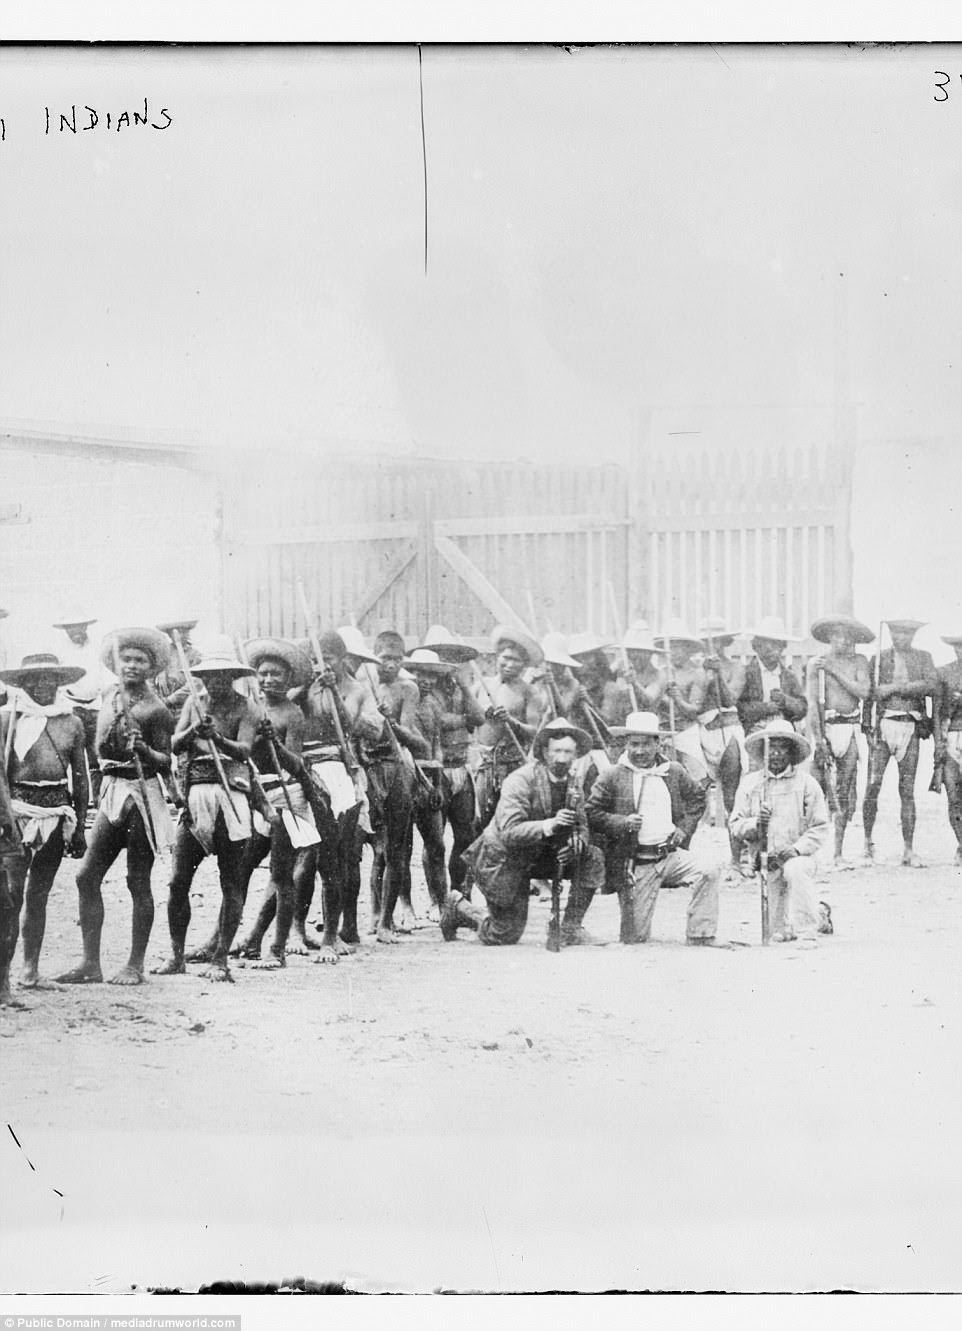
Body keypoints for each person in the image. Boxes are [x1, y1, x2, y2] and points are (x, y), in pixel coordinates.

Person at [56, 628, 175, 986]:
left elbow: (166, 761)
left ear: (152, 667)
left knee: (137, 879)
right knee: (85, 876)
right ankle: (90, 963)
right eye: (127, 659)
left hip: (141, 793)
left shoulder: (156, 710)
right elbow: (100, 748)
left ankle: (135, 964)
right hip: (112, 788)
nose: (132, 666)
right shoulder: (109, 695)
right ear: (116, 663)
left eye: (141, 660)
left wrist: (144, 750)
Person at [444, 718, 605, 946]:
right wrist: (550, 824)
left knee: (592, 856)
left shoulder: (573, 782)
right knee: (503, 934)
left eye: (568, 752)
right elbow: (510, 832)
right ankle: (460, 906)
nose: (562, 758)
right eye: (556, 751)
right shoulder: (520, 780)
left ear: (576, 754)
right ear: (544, 752)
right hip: (505, 858)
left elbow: (581, 823)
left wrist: (577, 840)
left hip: (540, 854)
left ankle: (571, 928)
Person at [153, 644, 258, 981]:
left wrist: (220, 740)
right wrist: (193, 732)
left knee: (231, 879)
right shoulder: (193, 703)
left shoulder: (248, 708)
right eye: (209, 678)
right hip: (196, 792)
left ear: (232, 678)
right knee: (178, 881)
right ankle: (176, 956)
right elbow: (172, 743)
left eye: (222, 678)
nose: (215, 684)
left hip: (231, 795)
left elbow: (244, 750)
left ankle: (221, 959)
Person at [214, 638, 319, 968]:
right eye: (264, 673)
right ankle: (224, 939)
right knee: (241, 869)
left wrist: (274, 740)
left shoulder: (292, 713)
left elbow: (297, 764)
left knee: (281, 873)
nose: (270, 679)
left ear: (289, 679)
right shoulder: (251, 709)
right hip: (256, 797)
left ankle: (277, 948)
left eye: (277, 674)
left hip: (286, 796)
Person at [586, 711, 727, 947]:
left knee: (709, 869)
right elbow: (592, 812)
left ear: (657, 744)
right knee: (635, 938)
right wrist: (621, 822)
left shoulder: (673, 771)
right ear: (626, 744)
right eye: (634, 744)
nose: (639, 751)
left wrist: (683, 828)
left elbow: (697, 799)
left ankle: (700, 933)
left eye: (645, 745)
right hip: (637, 864)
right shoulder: (612, 775)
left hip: (670, 856)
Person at [0, 654, 89, 991]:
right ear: (23, 683)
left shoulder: (71, 722)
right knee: (11, 896)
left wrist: (79, 826)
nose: (41, 685)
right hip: (17, 814)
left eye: (48, 678)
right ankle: (2, 976)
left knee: (39, 894)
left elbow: (80, 778)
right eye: (34, 679)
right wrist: (5, 816)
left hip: (56, 812)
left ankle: (30, 970)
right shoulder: (7, 720)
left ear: (58, 681)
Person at [295, 629, 383, 961]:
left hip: (347, 771)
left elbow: (359, 729)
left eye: (327, 659)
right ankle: (298, 927)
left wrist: (333, 692)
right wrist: (308, 687)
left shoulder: (358, 691)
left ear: (341, 659)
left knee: (347, 856)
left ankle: (346, 927)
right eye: (314, 660)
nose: (320, 665)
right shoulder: (301, 690)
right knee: (307, 855)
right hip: (309, 771)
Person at [729, 719, 833, 945]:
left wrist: (796, 849)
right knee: (777, 932)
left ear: (792, 751)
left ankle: (808, 932)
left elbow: (820, 826)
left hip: (800, 858)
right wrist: (756, 824)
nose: (776, 754)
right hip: (769, 861)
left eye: (782, 747)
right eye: (770, 748)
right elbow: (735, 824)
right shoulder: (750, 784)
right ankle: (820, 912)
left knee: (795, 871)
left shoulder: (807, 784)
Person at [364, 629, 430, 941]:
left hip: (396, 766)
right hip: (368, 767)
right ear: (373, 656)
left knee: (396, 848)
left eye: (396, 658)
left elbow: (413, 739)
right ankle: (374, 912)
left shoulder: (408, 689)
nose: (389, 663)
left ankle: (387, 920)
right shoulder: (363, 685)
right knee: (374, 848)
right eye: (384, 657)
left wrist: (390, 723)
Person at [861, 619, 937, 867]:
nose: (900, 637)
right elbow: (871, 693)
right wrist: (867, 726)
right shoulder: (879, 658)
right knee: (873, 785)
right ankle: (867, 842)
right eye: (896, 632)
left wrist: (898, 688)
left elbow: (931, 685)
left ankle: (908, 848)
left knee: (907, 789)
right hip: (883, 726)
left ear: (913, 635)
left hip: (910, 725)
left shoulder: (923, 658)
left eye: (906, 633)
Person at [421, 625, 488, 899]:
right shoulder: (422, 687)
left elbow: (480, 717)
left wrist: (463, 685)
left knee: (466, 837)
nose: (447, 662)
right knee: (435, 842)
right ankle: (438, 901)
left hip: (461, 766)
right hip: (436, 770)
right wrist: (463, 720)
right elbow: (438, 721)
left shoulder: (458, 688)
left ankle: (460, 895)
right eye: (442, 656)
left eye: (451, 656)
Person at [806, 614, 874, 870]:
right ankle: (810, 851)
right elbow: (812, 702)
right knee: (815, 787)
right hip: (826, 727)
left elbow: (863, 692)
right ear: (830, 637)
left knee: (844, 790)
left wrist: (834, 671)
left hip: (850, 728)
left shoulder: (859, 661)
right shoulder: (816, 663)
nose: (842, 641)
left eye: (847, 636)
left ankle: (838, 852)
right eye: (837, 635)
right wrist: (818, 737)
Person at [473, 625, 545, 829]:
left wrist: (511, 721)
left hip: (513, 764)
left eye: (516, 660)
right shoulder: (481, 685)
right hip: (484, 765)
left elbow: (534, 732)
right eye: (506, 657)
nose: (509, 664)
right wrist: (481, 715)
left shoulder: (529, 692)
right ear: (497, 657)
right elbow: (468, 720)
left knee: (510, 819)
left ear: (524, 665)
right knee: (481, 822)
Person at [696, 617, 747, 871]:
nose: (712, 647)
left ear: (725, 643)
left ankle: (737, 858)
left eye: (717, 642)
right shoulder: (697, 670)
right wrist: (705, 676)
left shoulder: (736, 667)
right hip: (702, 733)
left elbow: (731, 699)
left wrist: (718, 676)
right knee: (696, 792)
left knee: (731, 796)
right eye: (708, 643)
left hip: (728, 733)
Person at [53, 614, 108, 805]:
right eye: (71, 628)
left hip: (94, 706)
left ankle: (100, 802)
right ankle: (70, 802)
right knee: (71, 758)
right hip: (70, 706)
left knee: (97, 757)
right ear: (66, 630)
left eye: (79, 627)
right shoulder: (60, 651)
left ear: (85, 626)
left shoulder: (97, 648)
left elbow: (105, 676)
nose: (76, 631)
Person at [652, 620, 710, 785]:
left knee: (696, 777)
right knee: (663, 777)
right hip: (663, 732)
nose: (674, 652)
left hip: (686, 732)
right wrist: (663, 697)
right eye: (670, 648)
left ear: (688, 649)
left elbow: (694, 710)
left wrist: (677, 698)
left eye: (679, 647)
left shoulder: (697, 674)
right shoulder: (662, 673)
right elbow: (651, 703)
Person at [736, 617, 808, 736]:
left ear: (782, 647)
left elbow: (802, 709)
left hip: (784, 729)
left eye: (776, 645)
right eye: (765, 645)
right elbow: (738, 707)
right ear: (756, 646)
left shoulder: (788, 676)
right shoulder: (746, 673)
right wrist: (765, 708)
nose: (771, 650)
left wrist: (785, 700)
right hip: (754, 729)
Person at [933, 633, 962, 866]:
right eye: (958, 647)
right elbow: (938, 711)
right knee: (953, 796)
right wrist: (938, 744)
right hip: (950, 736)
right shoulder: (944, 673)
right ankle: (961, 844)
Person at [153, 618, 202, 716]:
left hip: (186, 706)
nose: (179, 635)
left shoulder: (194, 655)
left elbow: (196, 683)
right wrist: (156, 699)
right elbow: (150, 678)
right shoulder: (162, 654)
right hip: (161, 705)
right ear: (169, 634)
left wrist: (170, 700)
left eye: (183, 632)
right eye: (175, 632)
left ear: (187, 633)